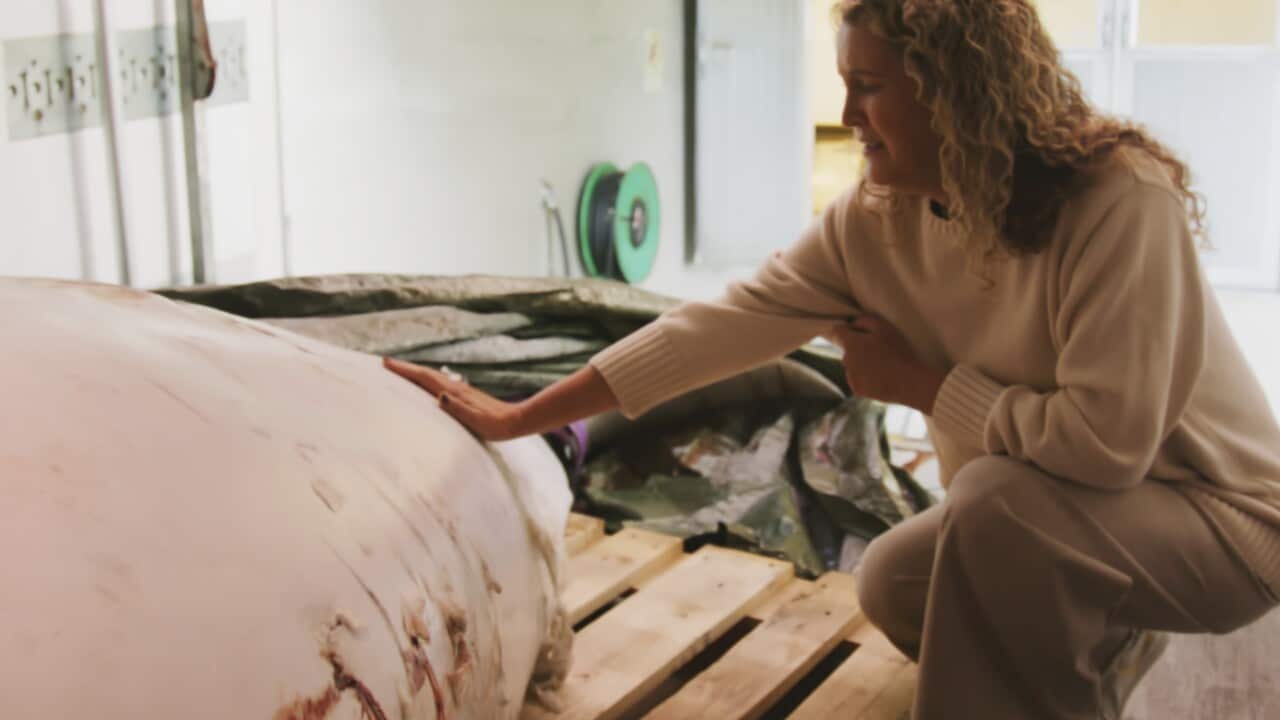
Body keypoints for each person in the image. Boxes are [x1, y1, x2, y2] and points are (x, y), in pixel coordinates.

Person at [385, 0, 1280, 717]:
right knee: (894, 583)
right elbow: (714, 327)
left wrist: (925, 389)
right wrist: (520, 416)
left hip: (1225, 524)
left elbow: (1106, 449)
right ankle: (1095, 638)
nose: (848, 115)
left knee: (995, 504)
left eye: (870, 86)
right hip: (1067, 519)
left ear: (954, 91)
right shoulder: (878, 222)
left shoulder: (1119, 203)